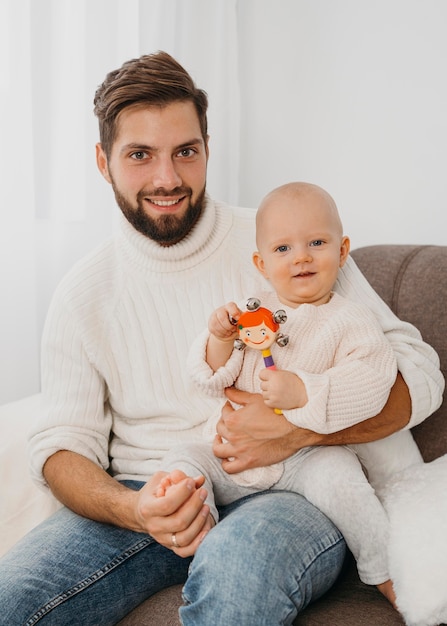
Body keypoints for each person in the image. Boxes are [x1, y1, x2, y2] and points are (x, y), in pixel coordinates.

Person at [0, 51, 443, 626]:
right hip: (158, 483)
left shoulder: (287, 239)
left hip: (295, 487)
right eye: (140, 155)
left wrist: (293, 431)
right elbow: (61, 447)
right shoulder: (81, 293)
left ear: (207, 148)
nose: (168, 178)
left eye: (186, 151)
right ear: (103, 162)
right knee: (12, 602)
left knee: (234, 585)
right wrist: (135, 509)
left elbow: (421, 376)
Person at [158, 181, 420, 608]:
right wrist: (218, 338)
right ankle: (197, 517)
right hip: (231, 454)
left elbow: (373, 382)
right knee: (183, 458)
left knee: (344, 481)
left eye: (317, 242)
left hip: (307, 458)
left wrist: (304, 391)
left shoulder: (352, 320)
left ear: (342, 250)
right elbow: (208, 379)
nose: (300, 256)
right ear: (261, 263)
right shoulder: (249, 313)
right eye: (283, 249)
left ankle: (383, 570)